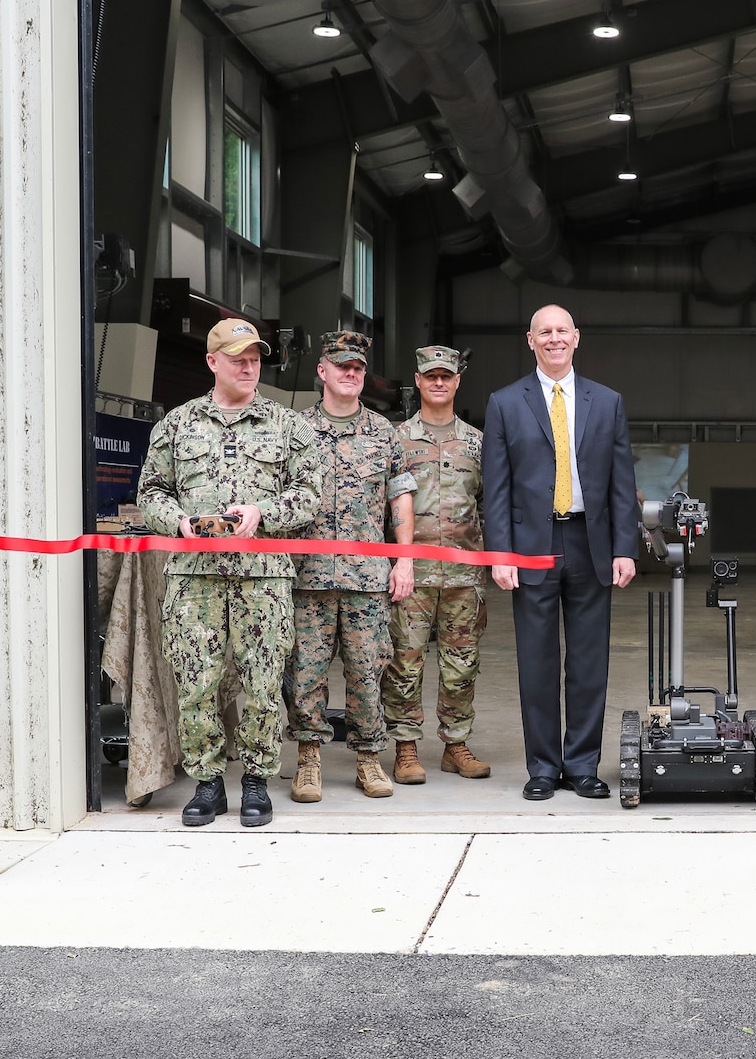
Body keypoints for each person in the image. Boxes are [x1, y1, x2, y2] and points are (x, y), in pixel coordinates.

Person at [137, 317, 321, 827]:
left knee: (262, 683)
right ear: (212, 361)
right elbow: (151, 492)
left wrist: (265, 514)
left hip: (263, 575)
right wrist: (177, 521)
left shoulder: (288, 425)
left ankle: (257, 780)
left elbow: (309, 495)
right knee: (197, 682)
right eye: (237, 357)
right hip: (194, 576)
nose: (249, 365)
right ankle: (208, 783)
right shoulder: (177, 424)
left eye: (255, 357)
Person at [483, 305, 641, 801]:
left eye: (562, 331)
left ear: (577, 337)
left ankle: (582, 764)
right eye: (544, 332)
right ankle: (544, 767)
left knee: (590, 661)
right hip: (533, 547)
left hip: (589, 542)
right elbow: (496, 488)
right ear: (530, 340)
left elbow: (621, 482)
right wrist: (501, 554)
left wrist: (625, 547)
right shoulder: (505, 403)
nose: (554, 339)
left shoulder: (607, 401)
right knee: (537, 660)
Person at [284, 331, 415, 803]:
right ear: (322, 372)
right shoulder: (293, 430)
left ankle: (367, 759)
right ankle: (308, 760)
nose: (351, 374)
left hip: (366, 581)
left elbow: (400, 499)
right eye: (342, 366)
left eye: (358, 367)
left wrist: (403, 559)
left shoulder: (384, 433)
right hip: (306, 578)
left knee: (367, 671)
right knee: (305, 673)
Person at [381, 345, 492, 783]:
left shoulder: (477, 443)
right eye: (431, 376)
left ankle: (456, 744)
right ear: (419, 380)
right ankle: (405, 748)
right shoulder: (396, 438)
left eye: (446, 375)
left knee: (461, 663)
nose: (439, 382)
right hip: (411, 572)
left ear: (457, 381)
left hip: (464, 575)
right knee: (404, 662)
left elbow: (490, 503)